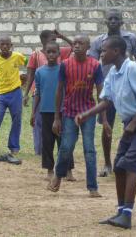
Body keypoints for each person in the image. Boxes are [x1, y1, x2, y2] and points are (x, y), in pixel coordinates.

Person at [76, 37, 136, 229]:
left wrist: (135, 121)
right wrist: (86, 114)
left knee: (131, 165)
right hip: (130, 122)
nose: (101, 54)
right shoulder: (113, 73)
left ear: (116, 51)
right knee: (118, 166)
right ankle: (120, 211)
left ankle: (127, 216)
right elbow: (107, 101)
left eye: (104, 51)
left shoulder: (133, 69)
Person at [88, 9, 136, 177]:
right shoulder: (99, 41)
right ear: (106, 22)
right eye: (110, 19)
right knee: (107, 126)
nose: (113, 21)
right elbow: (92, 65)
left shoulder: (130, 39)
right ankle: (107, 163)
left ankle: (134, 162)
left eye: (116, 19)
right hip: (109, 90)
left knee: (133, 125)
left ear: (121, 23)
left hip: (129, 90)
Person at [47, 36, 105, 197]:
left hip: (88, 112)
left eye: (81, 43)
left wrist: (104, 118)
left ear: (88, 47)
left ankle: (93, 187)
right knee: (66, 147)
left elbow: (101, 93)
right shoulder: (65, 65)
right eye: (75, 43)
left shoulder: (94, 65)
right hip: (69, 112)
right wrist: (57, 117)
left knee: (89, 149)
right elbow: (59, 90)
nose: (76, 45)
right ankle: (58, 176)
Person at [23, 30, 72, 156]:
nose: (55, 41)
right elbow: (30, 75)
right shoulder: (36, 54)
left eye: (56, 40)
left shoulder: (59, 52)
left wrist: (63, 36)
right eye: (53, 39)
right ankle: (39, 150)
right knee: (39, 122)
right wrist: (26, 93)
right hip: (39, 93)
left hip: (58, 93)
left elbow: (74, 47)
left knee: (59, 121)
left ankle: (59, 149)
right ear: (43, 41)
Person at [31, 41, 74, 181]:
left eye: (54, 52)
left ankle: (68, 170)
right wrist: (33, 112)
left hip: (62, 111)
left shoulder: (64, 69)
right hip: (45, 111)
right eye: (48, 52)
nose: (51, 55)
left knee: (64, 141)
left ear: (59, 53)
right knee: (47, 142)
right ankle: (50, 170)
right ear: (44, 53)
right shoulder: (39, 71)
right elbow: (37, 92)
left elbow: (68, 90)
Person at [0, 35, 27, 155]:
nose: (5, 46)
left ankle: (14, 146)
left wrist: (25, 78)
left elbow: (29, 64)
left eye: (7, 44)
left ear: (11, 46)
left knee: (16, 120)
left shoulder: (17, 56)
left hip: (16, 92)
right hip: (0, 94)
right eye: (2, 44)